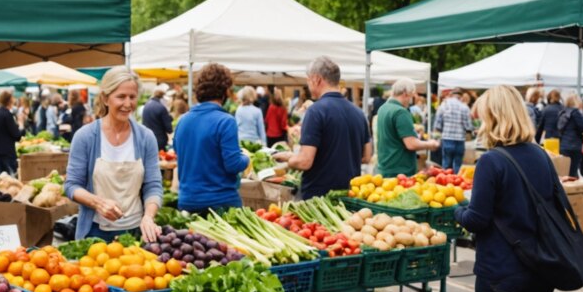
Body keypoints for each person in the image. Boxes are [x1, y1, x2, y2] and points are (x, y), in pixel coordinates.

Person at [453, 85, 558, 292]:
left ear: (493, 117)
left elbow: (477, 220)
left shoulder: (491, 161)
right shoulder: (541, 156)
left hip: (500, 270)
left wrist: (455, 210)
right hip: (539, 266)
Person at [65, 67, 162, 243]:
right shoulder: (85, 136)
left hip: (136, 232)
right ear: (105, 98)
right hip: (95, 233)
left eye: (132, 97)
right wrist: (98, 203)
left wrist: (148, 216)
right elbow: (72, 185)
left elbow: (153, 185)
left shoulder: (146, 137)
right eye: (121, 97)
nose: (128, 104)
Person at [273, 56, 371, 200]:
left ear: (316, 79)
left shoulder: (316, 111)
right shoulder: (359, 113)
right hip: (349, 194)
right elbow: (367, 157)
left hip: (318, 199)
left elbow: (305, 162)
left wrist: (290, 159)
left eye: (308, 80)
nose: (308, 85)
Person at [174, 63, 249, 214]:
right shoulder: (225, 121)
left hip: (187, 201)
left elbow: (179, 154)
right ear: (225, 90)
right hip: (220, 202)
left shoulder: (183, 120)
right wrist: (246, 158)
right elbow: (233, 165)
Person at [375, 78, 439, 177]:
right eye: (411, 96)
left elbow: (391, 131)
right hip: (400, 170)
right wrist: (430, 144)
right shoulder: (400, 112)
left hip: (384, 167)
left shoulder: (383, 108)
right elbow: (411, 144)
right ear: (405, 94)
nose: (410, 101)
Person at [434, 89, 475, 173]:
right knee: (457, 164)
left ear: (451, 95)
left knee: (446, 163)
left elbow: (437, 124)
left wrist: (442, 129)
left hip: (447, 138)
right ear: (461, 96)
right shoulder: (464, 107)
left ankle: (445, 178)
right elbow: (468, 126)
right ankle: (456, 179)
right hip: (460, 139)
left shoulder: (444, 105)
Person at [0, 90, 23, 177]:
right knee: (11, 177)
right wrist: (21, 125)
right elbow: (16, 135)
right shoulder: (7, 114)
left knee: (0, 177)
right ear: (9, 100)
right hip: (7, 151)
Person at [558, 93, 583, 179]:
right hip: (574, 145)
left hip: (563, 145)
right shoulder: (575, 112)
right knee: (572, 173)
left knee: (564, 172)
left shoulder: (563, 112)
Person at [141, 87, 173, 151]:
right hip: (159, 140)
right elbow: (169, 129)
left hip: (147, 138)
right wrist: (170, 118)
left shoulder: (146, 105)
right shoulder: (161, 107)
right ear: (162, 97)